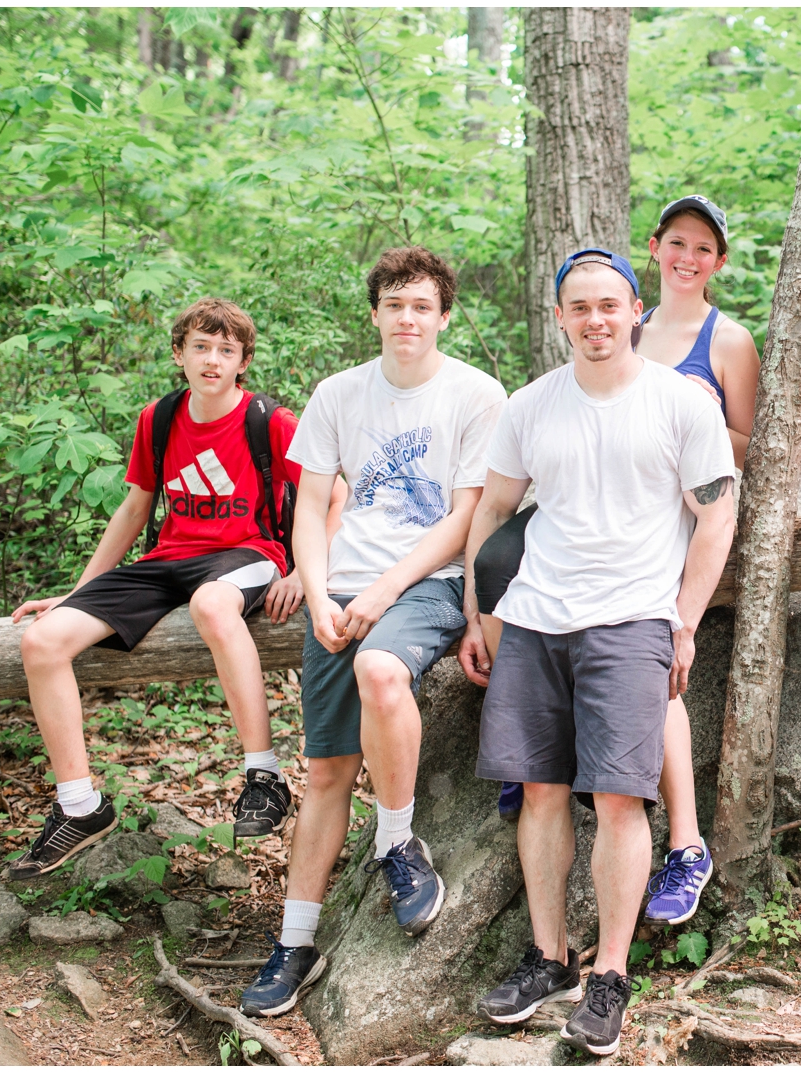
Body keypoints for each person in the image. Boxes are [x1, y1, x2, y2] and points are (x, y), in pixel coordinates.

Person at [465, 249, 735, 1055]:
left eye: (610, 305)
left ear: (636, 310)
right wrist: (479, 615)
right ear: (559, 316)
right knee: (541, 793)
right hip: (537, 619)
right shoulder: (530, 405)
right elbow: (494, 511)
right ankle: (548, 956)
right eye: (579, 307)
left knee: (619, 799)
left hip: (631, 622)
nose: (595, 320)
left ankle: (610, 974)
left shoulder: (680, 403)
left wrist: (682, 622)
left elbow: (716, 517)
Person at [239, 247, 506, 1017]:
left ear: (445, 315)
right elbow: (311, 504)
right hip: (342, 586)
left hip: (428, 581)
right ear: (376, 313)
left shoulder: (476, 394)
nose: (408, 318)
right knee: (325, 773)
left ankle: (397, 841)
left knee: (383, 670)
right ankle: (294, 942)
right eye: (395, 304)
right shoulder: (338, 394)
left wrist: (386, 589)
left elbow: (464, 516)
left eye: (422, 305)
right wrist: (318, 596)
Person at [9, 298, 338, 880]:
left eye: (226, 350)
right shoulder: (158, 419)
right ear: (179, 354)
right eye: (201, 347)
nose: (213, 360)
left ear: (243, 362)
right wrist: (78, 593)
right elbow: (136, 507)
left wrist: (303, 576)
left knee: (212, 604)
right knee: (42, 641)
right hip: (166, 560)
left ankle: (264, 776)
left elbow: (333, 498)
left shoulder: (271, 420)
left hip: (249, 553)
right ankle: (80, 806)